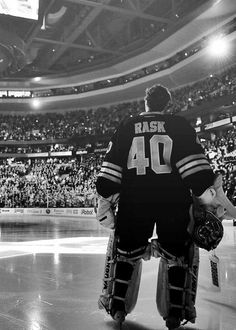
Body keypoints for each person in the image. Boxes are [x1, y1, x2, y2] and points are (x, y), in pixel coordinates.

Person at [95, 84, 236, 329]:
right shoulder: (178, 125)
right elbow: (195, 171)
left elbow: (110, 172)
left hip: (134, 201)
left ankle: (118, 308)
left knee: (126, 253)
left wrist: (106, 197)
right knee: (178, 255)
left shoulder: (127, 126)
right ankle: (174, 314)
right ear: (167, 104)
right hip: (173, 200)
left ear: (146, 102)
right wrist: (207, 196)